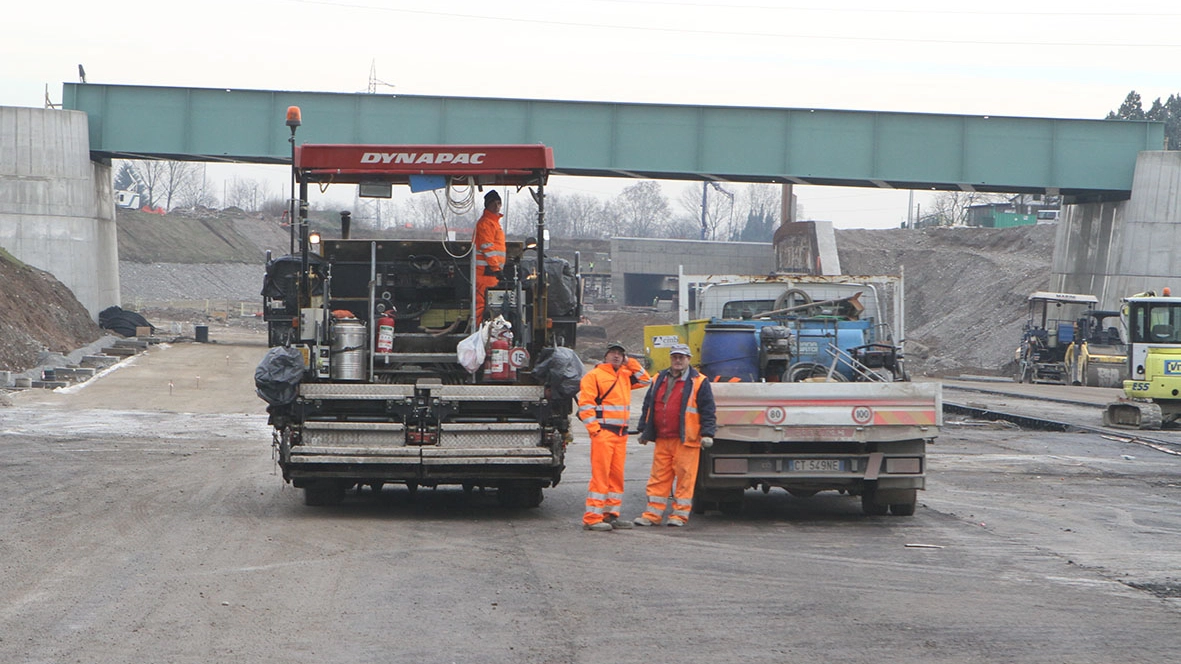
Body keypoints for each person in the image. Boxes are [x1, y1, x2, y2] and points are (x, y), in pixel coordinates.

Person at [633, 343, 716, 527]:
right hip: (663, 438)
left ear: (689, 359)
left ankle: (679, 516)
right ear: (671, 358)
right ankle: (652, 515)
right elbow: (649, 405)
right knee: (658, 478)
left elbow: (708, 410)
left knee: (685, 479)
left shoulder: (699, 381)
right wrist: (644, 429)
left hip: (687, 439)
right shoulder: (659, 378)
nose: (678, 360)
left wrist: (708, 433)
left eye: (682, 357)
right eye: (675, 357)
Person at [577, 341, 651, 531]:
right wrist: (595, 431)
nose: (617, 356)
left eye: (620, 353)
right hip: (604, 433)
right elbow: (586, 406)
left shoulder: (625, 375)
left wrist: (630, 362)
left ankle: (610, 514)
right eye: (613, 353)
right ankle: (592, 518)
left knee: (616, 477)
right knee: (600, 477)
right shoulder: (594, 376)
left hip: (620, 435)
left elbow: (645, 379)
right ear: (605, 356)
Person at [473, 190, 506, 319]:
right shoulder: (486, 223)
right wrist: (496, 269)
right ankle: (479, 334)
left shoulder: (493, 223)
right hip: (485, 273)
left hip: (490, 272)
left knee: (489, 304)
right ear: (487, 205)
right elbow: (488, 248)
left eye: (499, 203)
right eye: (494, 203)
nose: (497, 206)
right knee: (482, 305)